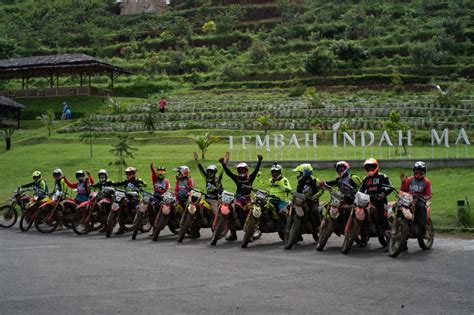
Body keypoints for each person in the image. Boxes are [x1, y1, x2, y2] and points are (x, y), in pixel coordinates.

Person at [219, 154, 263, 241]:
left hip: (248, 199)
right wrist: (223, 164)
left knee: (251, 213)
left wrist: (260, 161)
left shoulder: (250, 178)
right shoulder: (237, 178)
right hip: (238, 199)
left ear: (246, 170)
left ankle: (249, 234)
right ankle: (233, 234)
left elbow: (256, 170)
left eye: (243, 170)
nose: (241, 171)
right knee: (231, 210)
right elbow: (228, 173)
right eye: (239, 170)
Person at [359, 158, 393, 247]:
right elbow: (361, 190)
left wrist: (383, 193)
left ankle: (390, 243)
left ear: (376, 167)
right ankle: (363, 237)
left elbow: (389, 187)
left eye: (372, 167)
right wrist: (358, 194)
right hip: (369, 200)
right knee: (362, 215)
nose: (370, 169)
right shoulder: (366, 179)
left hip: (380, 201)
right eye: (368, 167)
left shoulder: (383, 176)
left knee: (383, 219)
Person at [193, 152, 224, 230]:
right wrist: (196, 160)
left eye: (211, 172)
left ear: (214, 173)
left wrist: (224, 162)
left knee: (215, 212)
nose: (210, 173)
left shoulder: (217, 180)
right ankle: (194, 227)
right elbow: (201, 168)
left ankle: (218, 227)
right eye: (209, 171)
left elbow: (222, 170)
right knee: (195, 206)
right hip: (206, 199)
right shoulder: (206, 178)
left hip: (215, 200)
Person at [111, 167, 147, 234]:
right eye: (127, 174)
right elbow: (118, 183)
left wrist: (143, 183)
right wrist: (111, 183)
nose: (128, 175)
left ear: (133, 174)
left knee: (130, 203)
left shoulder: (137, 181)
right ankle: (121, 227)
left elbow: (144, 184)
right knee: (120, 204)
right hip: (126, 197)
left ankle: (132, 217)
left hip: (135, 198)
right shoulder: (126, 182)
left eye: (130, 174)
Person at [400, 161, 432, 237]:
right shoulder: (409, 179)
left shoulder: (427, 182)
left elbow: (429, 195)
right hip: (409, 198)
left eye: (420, 172)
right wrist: (403, 183)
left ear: (424, 172)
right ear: (413, 171)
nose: (418, 174)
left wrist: (421, 197)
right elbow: (403, 190)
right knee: (398, 205)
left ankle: (423, 229)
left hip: (420, 199)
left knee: (421, 207)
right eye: (416, 172)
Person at [293, 163, 323, 239]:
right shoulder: (300, 181)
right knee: (292, 208)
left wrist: (315, 196)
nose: (298, 174)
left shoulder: (315, 180)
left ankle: (319, 226)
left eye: (300, 173)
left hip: (312, 201)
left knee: (314, 211)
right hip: (301, 200)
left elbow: (322, 190)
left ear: (305, 173)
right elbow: (298, 191)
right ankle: (296, 234)